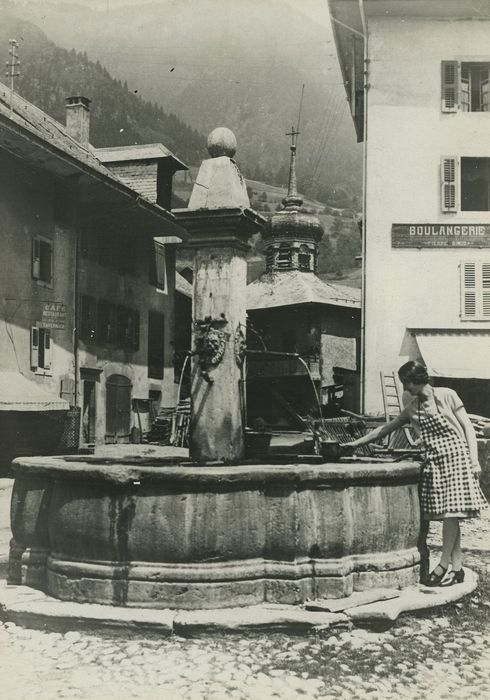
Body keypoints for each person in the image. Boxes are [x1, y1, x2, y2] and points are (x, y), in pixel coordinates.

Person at [343, 361, 488, 587]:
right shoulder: (412, 408)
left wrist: (474, 460)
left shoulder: (448, 395)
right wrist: (355, 444)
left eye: (406, 382)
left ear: (415, 379)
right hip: (435, 462)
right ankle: (457, 569)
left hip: (457, 458)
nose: (405, 388)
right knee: (450, 515)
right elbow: (385, 429)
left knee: (452, 514)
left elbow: (468, 427)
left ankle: (442, 565)